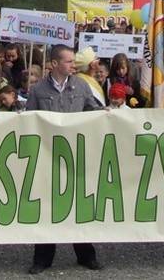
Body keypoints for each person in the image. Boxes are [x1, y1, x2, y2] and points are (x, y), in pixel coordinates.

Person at [24, 44, 102, 274]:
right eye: (69, 61)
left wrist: (106, 113)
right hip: (49, 157)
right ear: (55, 63)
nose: (73, 65)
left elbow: (92, 110)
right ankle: (43, 259)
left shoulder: (81, 86)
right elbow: (30, 119)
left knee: (78, 205)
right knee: (48, 207)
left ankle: (86, 254)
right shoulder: (38, 90)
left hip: (76, 156)